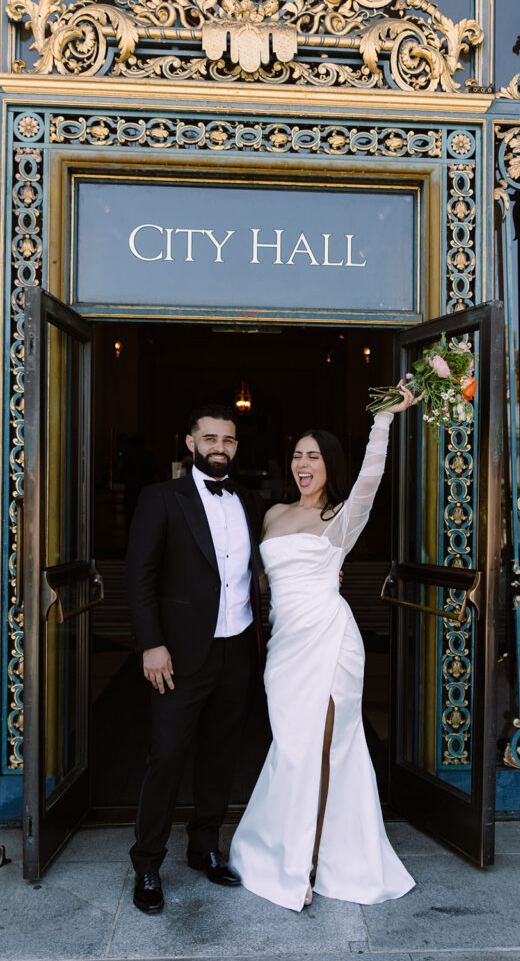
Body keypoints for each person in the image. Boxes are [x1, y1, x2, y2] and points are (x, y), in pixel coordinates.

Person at [229, 383, 419, 911]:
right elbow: (260, 583)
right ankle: (279, 850)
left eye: (313, 456)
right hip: (285, 649)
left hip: (331, 643)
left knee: (326, 748)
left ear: (330, 464)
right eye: (297, 455)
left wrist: (385, 420)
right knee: (291, 748)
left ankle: (307, 868)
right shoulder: (272, 516)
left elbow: (372, 479)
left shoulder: (340, 518)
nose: (302, 464)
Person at [126, 404, 265, 913]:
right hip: (178, 653)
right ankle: (146, 864)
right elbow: (139, 576)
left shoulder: (251, 501)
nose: (219, 447)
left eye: (227, 440)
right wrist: (150, 643)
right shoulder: (160, 498)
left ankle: (205, 847)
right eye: (209, 438)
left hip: (238, 645)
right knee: (165, 756)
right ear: (190, 442)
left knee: (221, 753)